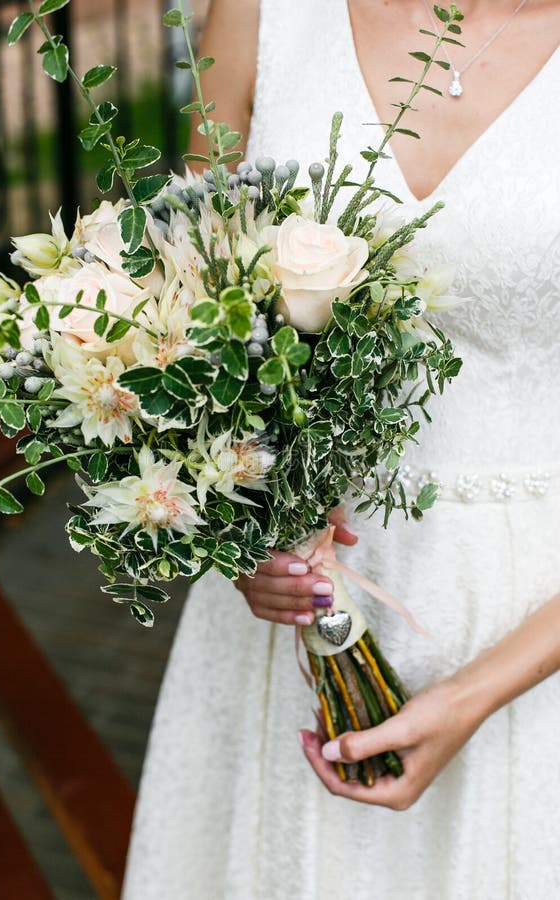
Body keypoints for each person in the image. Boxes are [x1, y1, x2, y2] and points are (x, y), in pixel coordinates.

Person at [122, 1, 560, 897]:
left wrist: (474, 695)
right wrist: (232, 529)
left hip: (530, 631)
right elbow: (186, 301)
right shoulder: (261, 10)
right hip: (292, 605)